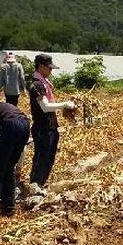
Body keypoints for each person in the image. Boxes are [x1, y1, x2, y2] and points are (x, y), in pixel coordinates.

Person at [28, 54, 75, 193]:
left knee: (49, 157)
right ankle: (34, 185)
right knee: (42, 157)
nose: (51, 71)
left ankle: (40, 184)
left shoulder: (44, 83)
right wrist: (64, 105)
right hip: (42, 128)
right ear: (41, 67)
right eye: (49, 68)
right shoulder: (36, 85)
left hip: (50, 126)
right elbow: (45, 107)